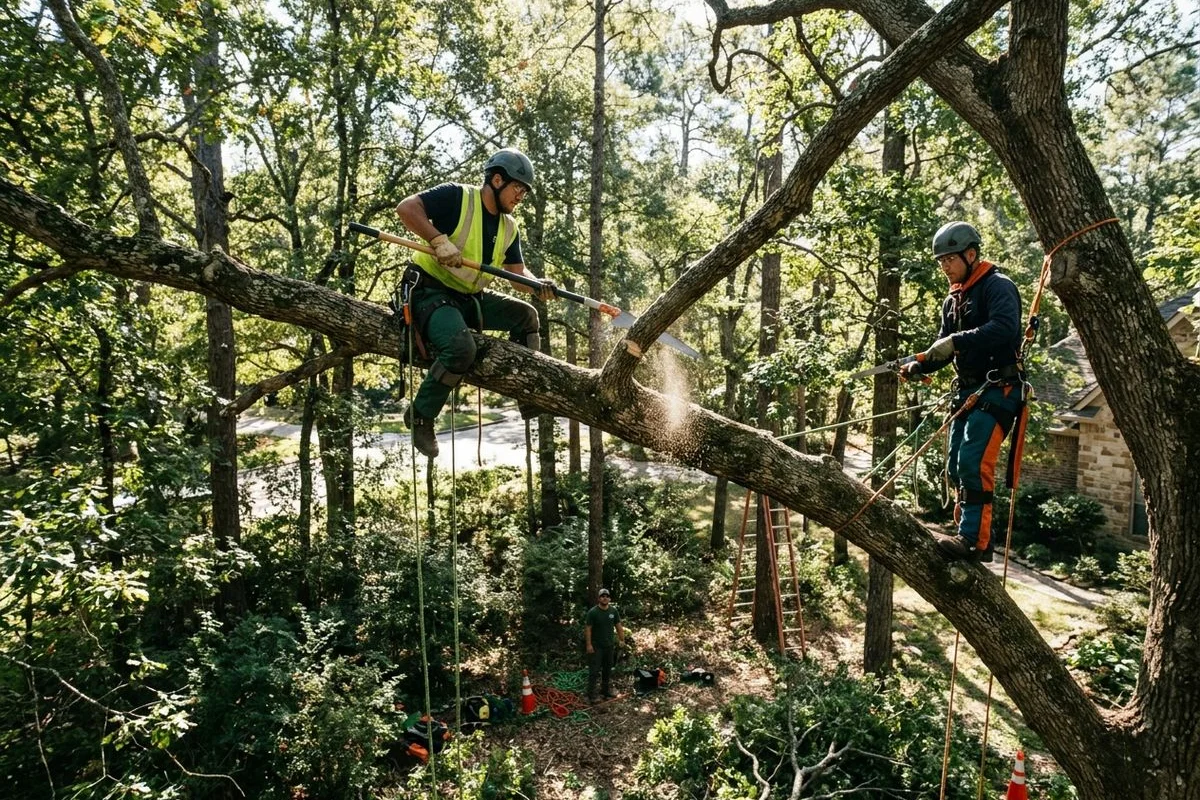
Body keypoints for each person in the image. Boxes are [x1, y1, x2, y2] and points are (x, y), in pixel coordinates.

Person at [395, 148, 556, 458]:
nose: (520, 197)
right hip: (430, 291)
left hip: (470, 298)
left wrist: (537, 285)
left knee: (527, 316)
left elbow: (516, 273)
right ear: (497, 180)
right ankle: (421, 415)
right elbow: (406, 208)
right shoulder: (457, 197)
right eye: (518, 188)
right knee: (461, 349)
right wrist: (438, 240)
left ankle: (526, 389)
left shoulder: (509, 226)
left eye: (523, 191)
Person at [900, 221, 1024, 562]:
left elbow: (1004, 328)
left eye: (950, 260)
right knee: (955, 465)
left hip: (1000, 388)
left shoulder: (997, 286)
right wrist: (920, 364)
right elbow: (943, 348)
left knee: (973, 462)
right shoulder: (953, 300)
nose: (944, 267)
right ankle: (967, 535)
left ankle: (974, 541)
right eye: (940, 261)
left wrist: (955, 341)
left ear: (971, 255)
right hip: (968, 391)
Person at [584, 587, 626, 702]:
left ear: (609, 598)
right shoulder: (593, 612)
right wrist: (588, 645)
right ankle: (591, 694)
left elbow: (618, 626)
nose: (605, 598)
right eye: (602, 596)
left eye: (607, 596)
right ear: (599, 598)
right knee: (594, 670)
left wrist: (622, 639)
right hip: (596, 646)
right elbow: (588, 629)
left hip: (609, 646)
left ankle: (605, 690)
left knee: (607, 669)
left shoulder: (613, 611)